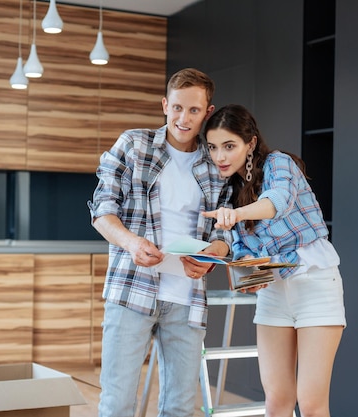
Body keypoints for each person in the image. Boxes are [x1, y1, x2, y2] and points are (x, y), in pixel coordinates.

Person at [88, 68, 232, 417]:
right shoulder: (134, 145)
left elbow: (225, 231)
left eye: (194, 111)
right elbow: (102, 211)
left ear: (207, 112)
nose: (184, 118)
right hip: (131, 290)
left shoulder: (216, 162)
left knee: (180, 408)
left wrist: (214, 254)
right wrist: (132, 243)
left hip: (187, 298)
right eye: (178, 108)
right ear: (165, 105)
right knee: (117, 404)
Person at [202, 104, 345, 417]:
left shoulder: (280, 164)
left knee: (310, 403)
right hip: (274, 294)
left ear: (250, 143)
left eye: (229, 146)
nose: (220, 157)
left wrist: (237, 214)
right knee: (277, 401)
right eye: (213, 147)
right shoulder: (228, 191)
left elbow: (276, 203)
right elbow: (242, 250)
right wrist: (250, 276)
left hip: (315, 285)